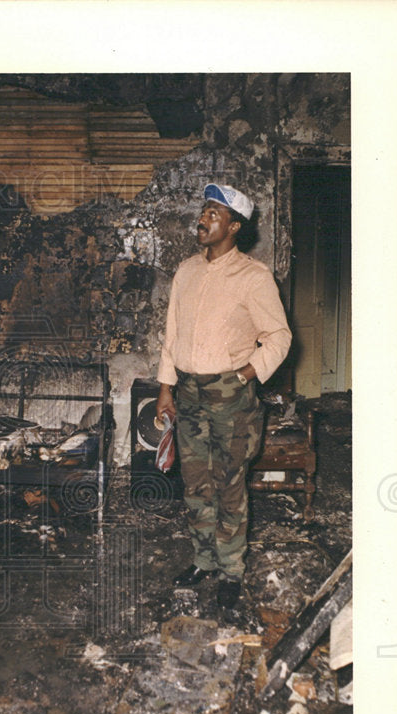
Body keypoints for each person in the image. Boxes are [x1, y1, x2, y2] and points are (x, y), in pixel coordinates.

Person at [156, 183, 292, 610]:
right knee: (196, 483)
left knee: (229, 485)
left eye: (214, 214)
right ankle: (204, 560)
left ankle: (231, 570)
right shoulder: (186, 272)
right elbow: (172, 334)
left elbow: (280, 336)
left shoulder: (254, 277)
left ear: (234, 226)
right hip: (190, 393)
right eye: (203, 211)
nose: (203, 218)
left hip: (231, 397)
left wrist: (247, 373)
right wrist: (166, 388)